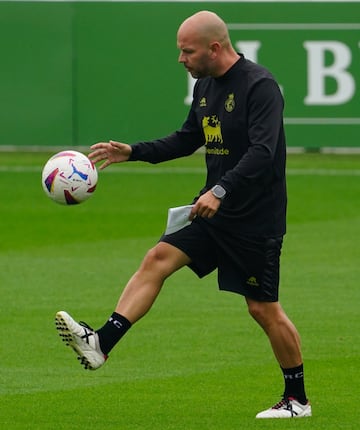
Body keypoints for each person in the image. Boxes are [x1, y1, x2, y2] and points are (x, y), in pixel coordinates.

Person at [55, 10, 311, 419]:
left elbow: (263, 153)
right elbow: (187, 139)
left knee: (262, 309)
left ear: (215, 47)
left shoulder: (260, 87)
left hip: (253, 219)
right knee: (157, 258)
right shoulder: (206, 87)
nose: (181, 59)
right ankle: (101, 343)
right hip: (212, 211)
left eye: (187, 51)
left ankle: (297, 399)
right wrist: (134, 152)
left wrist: (222, 191)